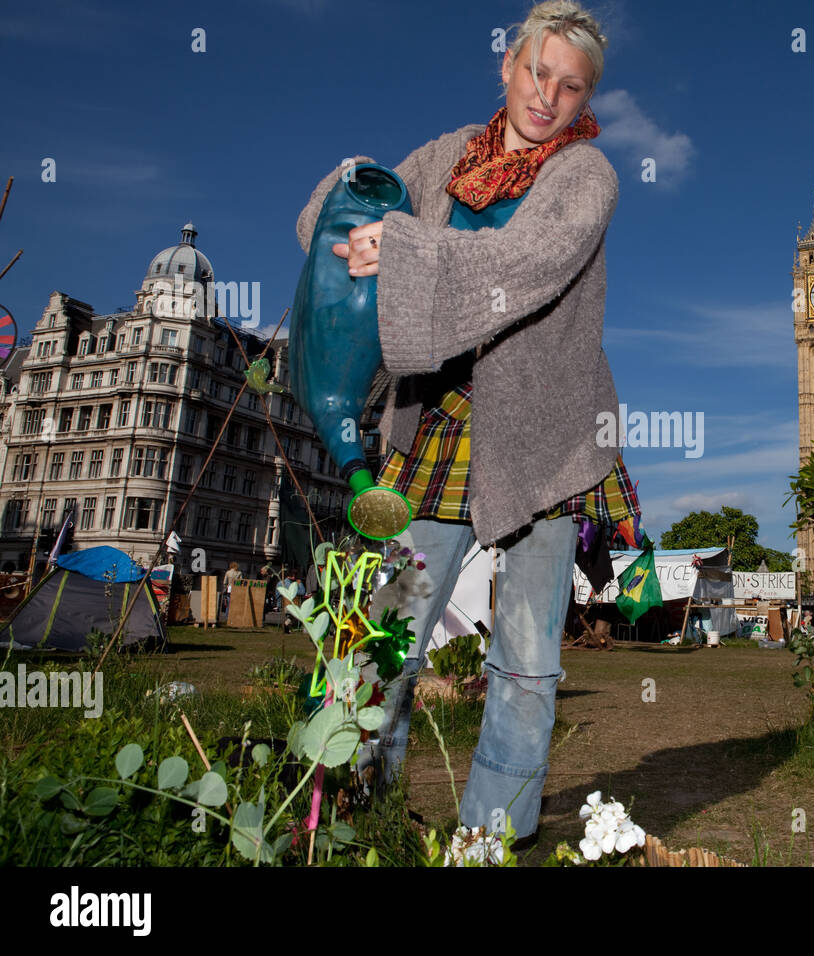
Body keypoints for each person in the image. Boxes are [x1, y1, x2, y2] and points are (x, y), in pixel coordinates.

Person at [295, 0, 634, 843]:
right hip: (436, 429)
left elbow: (531, 262)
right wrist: (348, 200)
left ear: (585, 96)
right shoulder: (447, 156)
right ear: (507, 66)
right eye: (535, 71)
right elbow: (333, 224)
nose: (547, 95)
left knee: (524, 667)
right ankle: (355, 816)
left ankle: (490, 843)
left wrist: (402, 247)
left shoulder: (586, 176)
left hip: (547, 444)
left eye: (570, 84)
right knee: (385, 640)